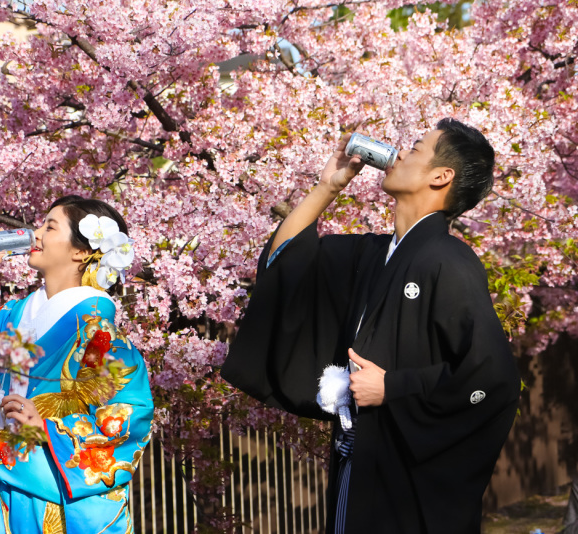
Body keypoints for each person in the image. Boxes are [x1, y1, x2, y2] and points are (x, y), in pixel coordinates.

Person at [221, 119, 520, 534]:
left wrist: (393, 388)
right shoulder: (372, 253)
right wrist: (328, 186)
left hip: (408, 482)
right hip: (359, 457)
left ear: (441, 176)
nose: (398, 154)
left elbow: (494, 380)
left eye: (415, 149)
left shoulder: (449, 262)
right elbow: (286, 265)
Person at [0, 196, 154, 534]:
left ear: (80, 251)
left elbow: (126, 415)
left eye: (49, 226)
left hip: (49, 500)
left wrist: (51, 427)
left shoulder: (98, 335)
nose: (36, 234)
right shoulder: (9, 318)